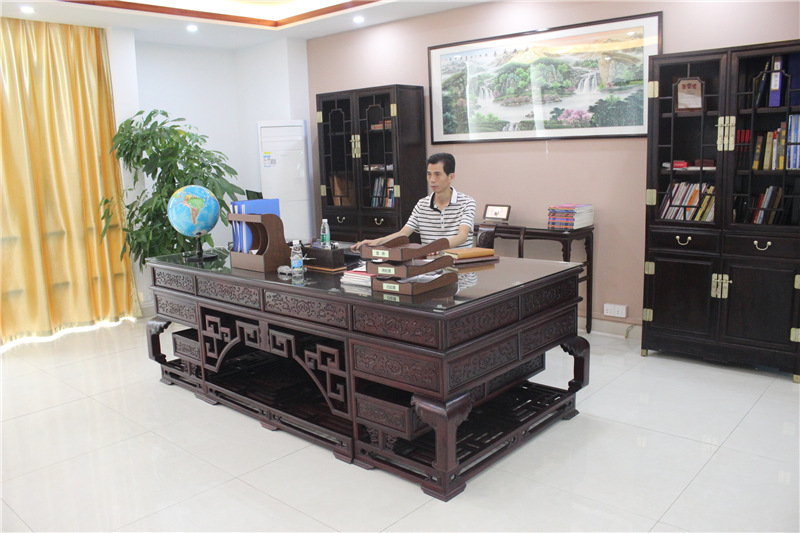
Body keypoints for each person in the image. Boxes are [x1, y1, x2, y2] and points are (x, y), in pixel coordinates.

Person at [351, 152, 476, 251]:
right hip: (431, 267)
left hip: (460, 267)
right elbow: (403, 233)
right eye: (429, 174)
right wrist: (375, 242)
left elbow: (462, 236)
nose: (432, 180)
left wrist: (434, 248)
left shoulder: (467, 202)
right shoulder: (422, 204)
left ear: (451, 176)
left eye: (437, 174)